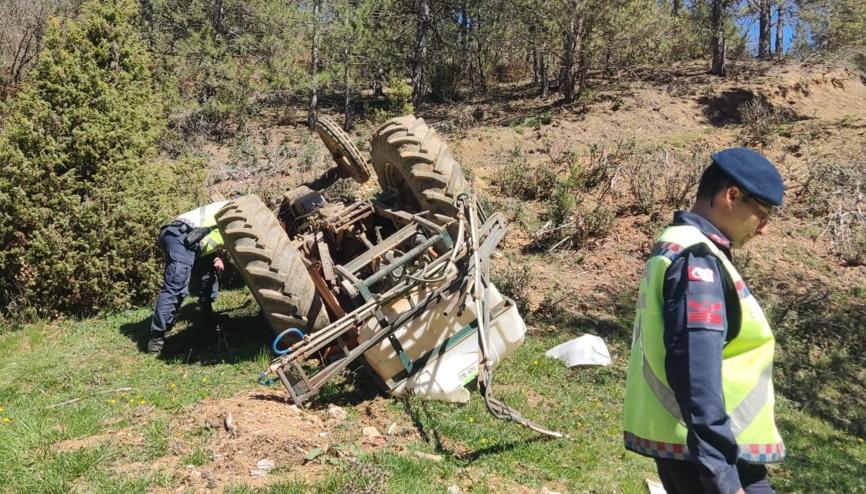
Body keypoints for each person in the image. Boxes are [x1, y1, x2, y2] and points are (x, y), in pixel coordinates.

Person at [623, 148, 786, 494]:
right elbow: (697, 373)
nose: (765, 230)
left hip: (700, 448)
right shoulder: (697, 260)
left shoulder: (681, 246)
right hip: (714, 455)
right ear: (732, 195)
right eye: (763, 213)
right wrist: (723, 478)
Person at [148, 201, 228, 353]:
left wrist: (216, 257)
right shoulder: (235, 209)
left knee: (207, 274)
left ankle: (207, 314)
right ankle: (156, 337)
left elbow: (209, 232)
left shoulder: (228, 210)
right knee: (176, 285)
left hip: (191, 238)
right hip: (183, 236)